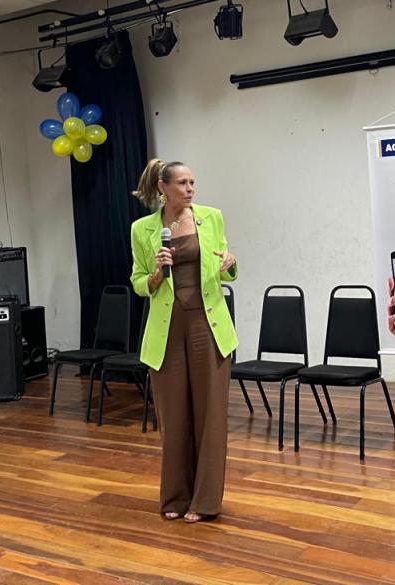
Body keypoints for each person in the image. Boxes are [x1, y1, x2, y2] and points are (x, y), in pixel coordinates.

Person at [129, 159, 238, 523]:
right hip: (167, 329)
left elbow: (226, 266)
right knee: (173, 418)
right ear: (163, 187)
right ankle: (175, 496)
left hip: (208, 326)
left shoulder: (211, 217)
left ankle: (205, 501)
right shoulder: (142, 229)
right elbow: (138, 281)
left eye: (193, 182)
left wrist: (231, 263)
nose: (190, 189)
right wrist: (156, 274)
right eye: (182, 183)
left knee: (210, 416)